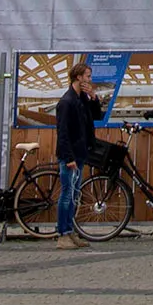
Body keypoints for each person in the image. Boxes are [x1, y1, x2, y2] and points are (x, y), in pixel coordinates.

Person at [51, 62, 98, 247]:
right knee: (67, 194)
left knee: (74, 195)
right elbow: (62, 132)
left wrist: (93, 97)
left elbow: (96, 115)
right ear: (78, 77)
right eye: (87, 76)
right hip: (70, 155)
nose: (89, 80)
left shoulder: (82, 99)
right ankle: (62, 234)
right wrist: (68, 157)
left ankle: (70, 231)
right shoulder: (66, 102)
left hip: (80, 152)